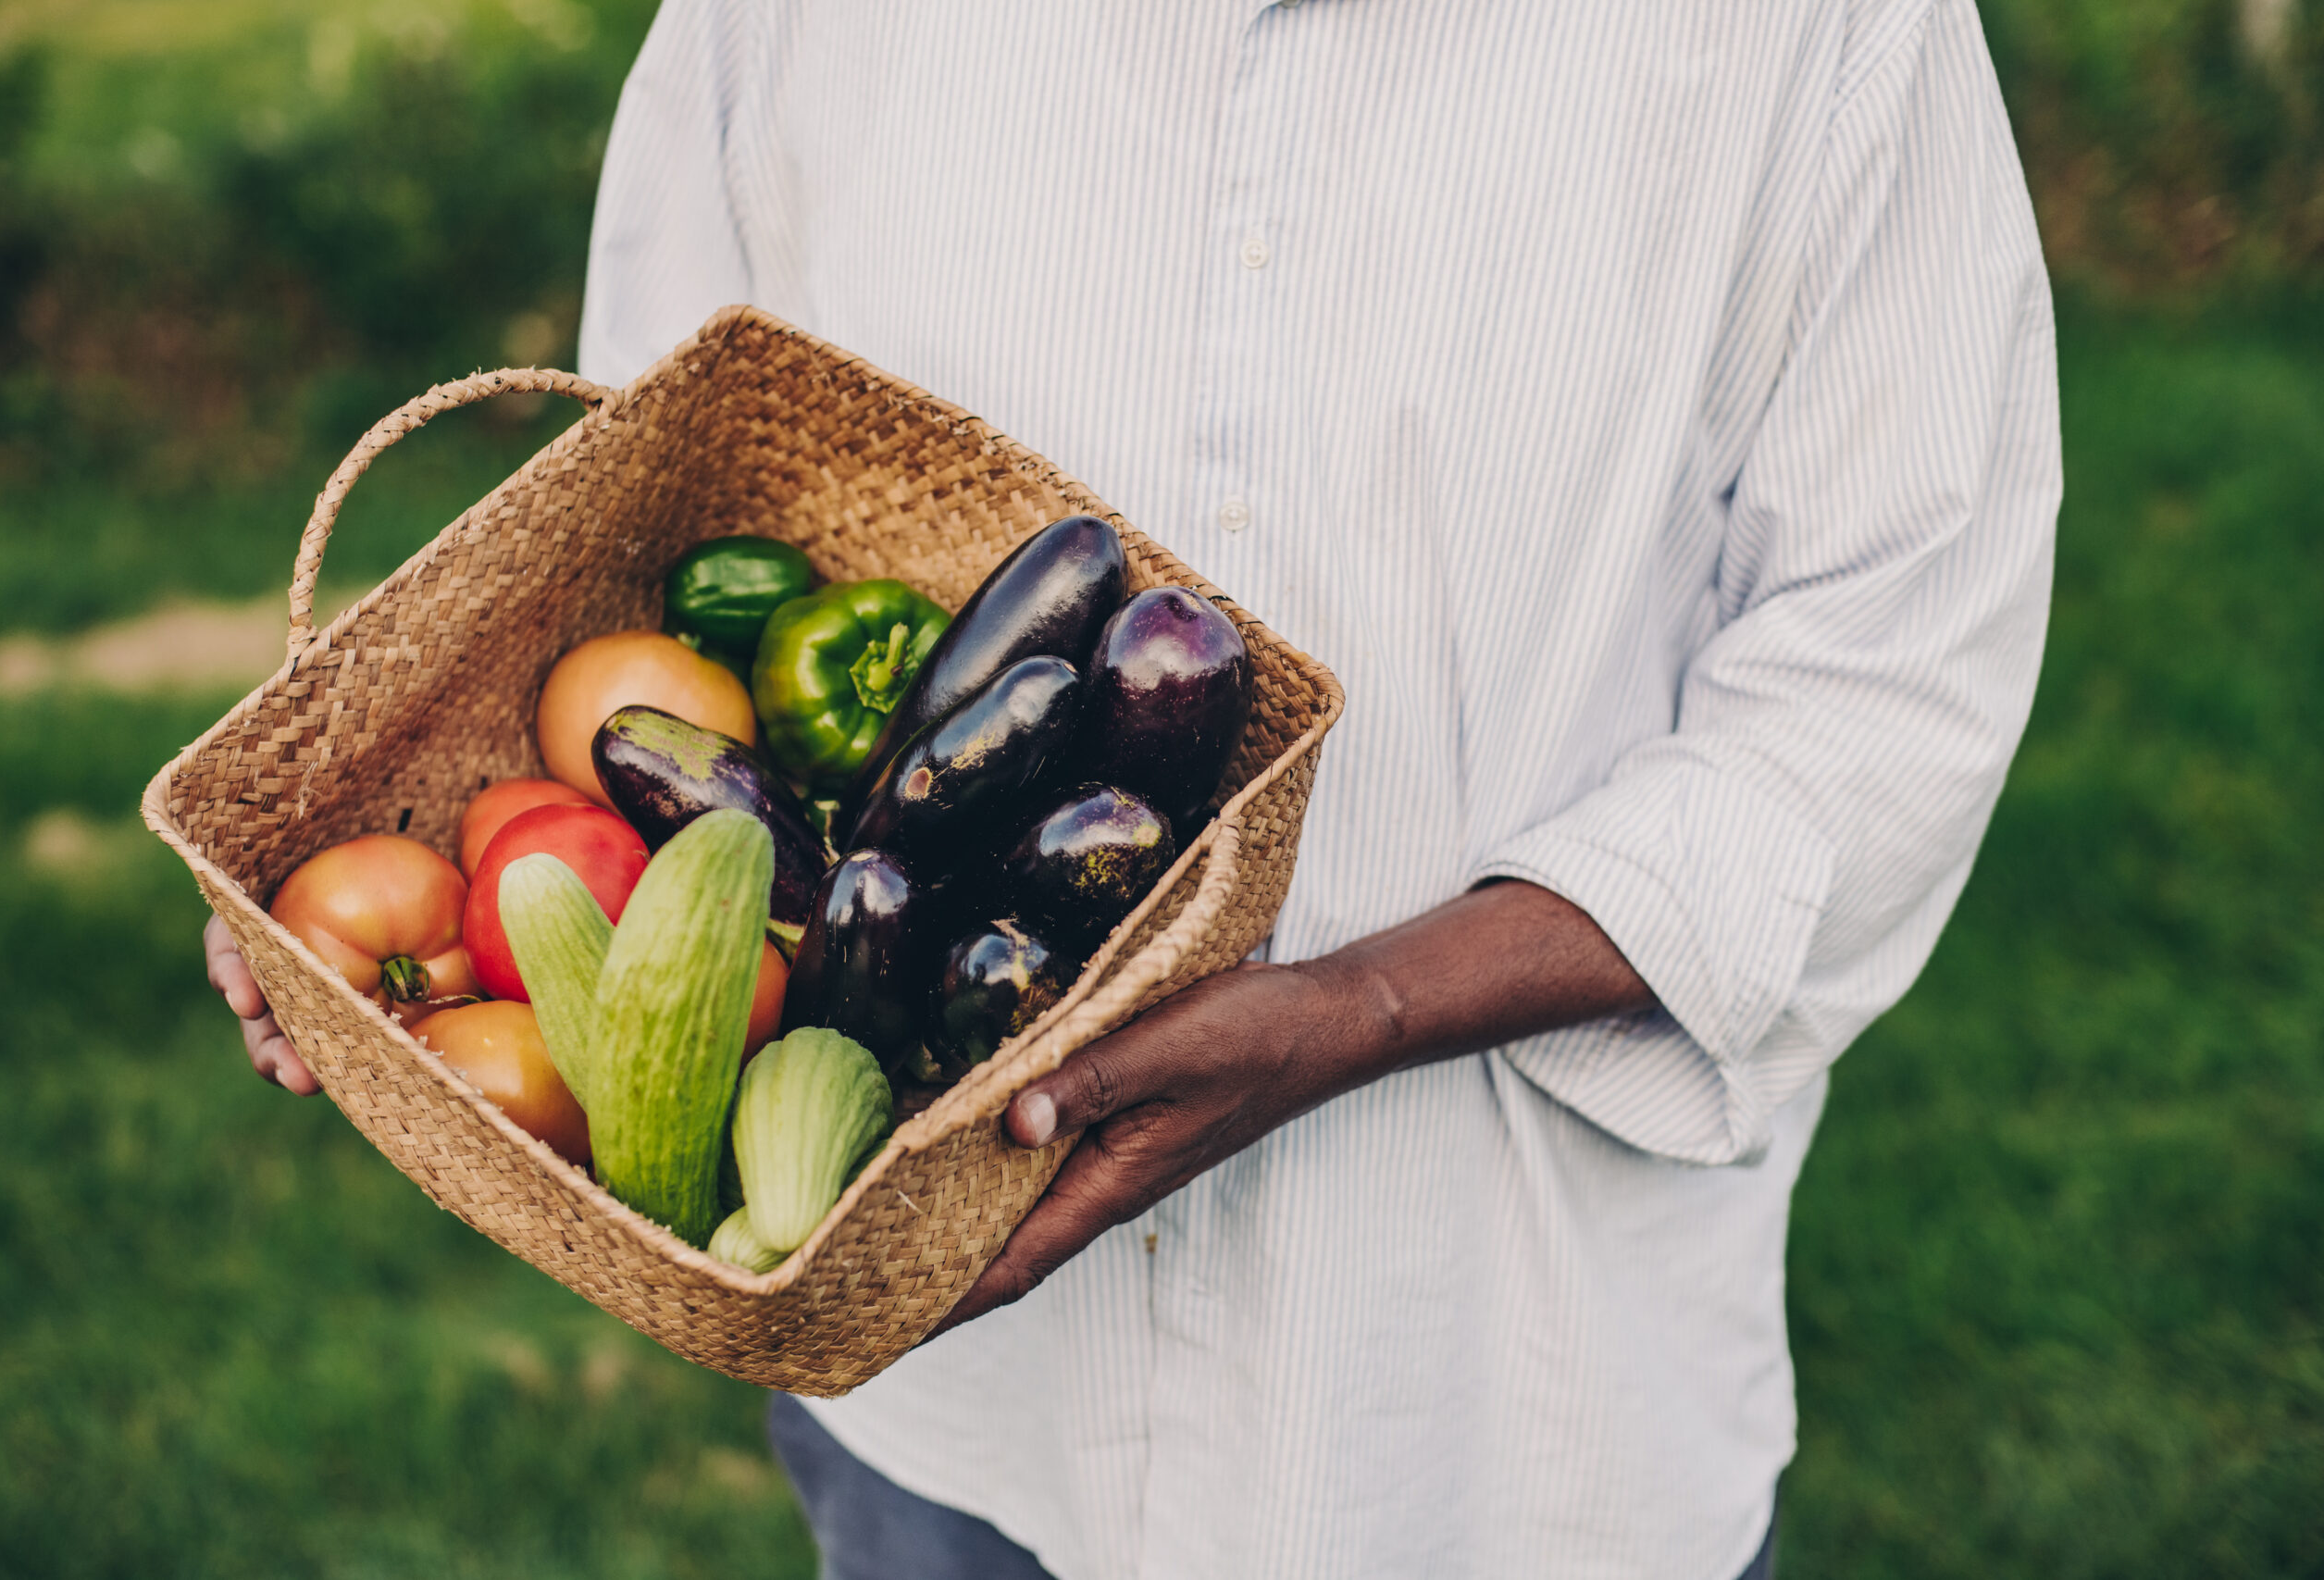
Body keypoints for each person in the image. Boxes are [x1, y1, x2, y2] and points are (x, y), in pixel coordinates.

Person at [207, 1, 2061, 1574]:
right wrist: (415, 909)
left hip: (1489, 1417)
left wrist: (1361, 1002)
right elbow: (655, 515)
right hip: (951, 1409)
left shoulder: (1812, 35)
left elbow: (1883, 689)